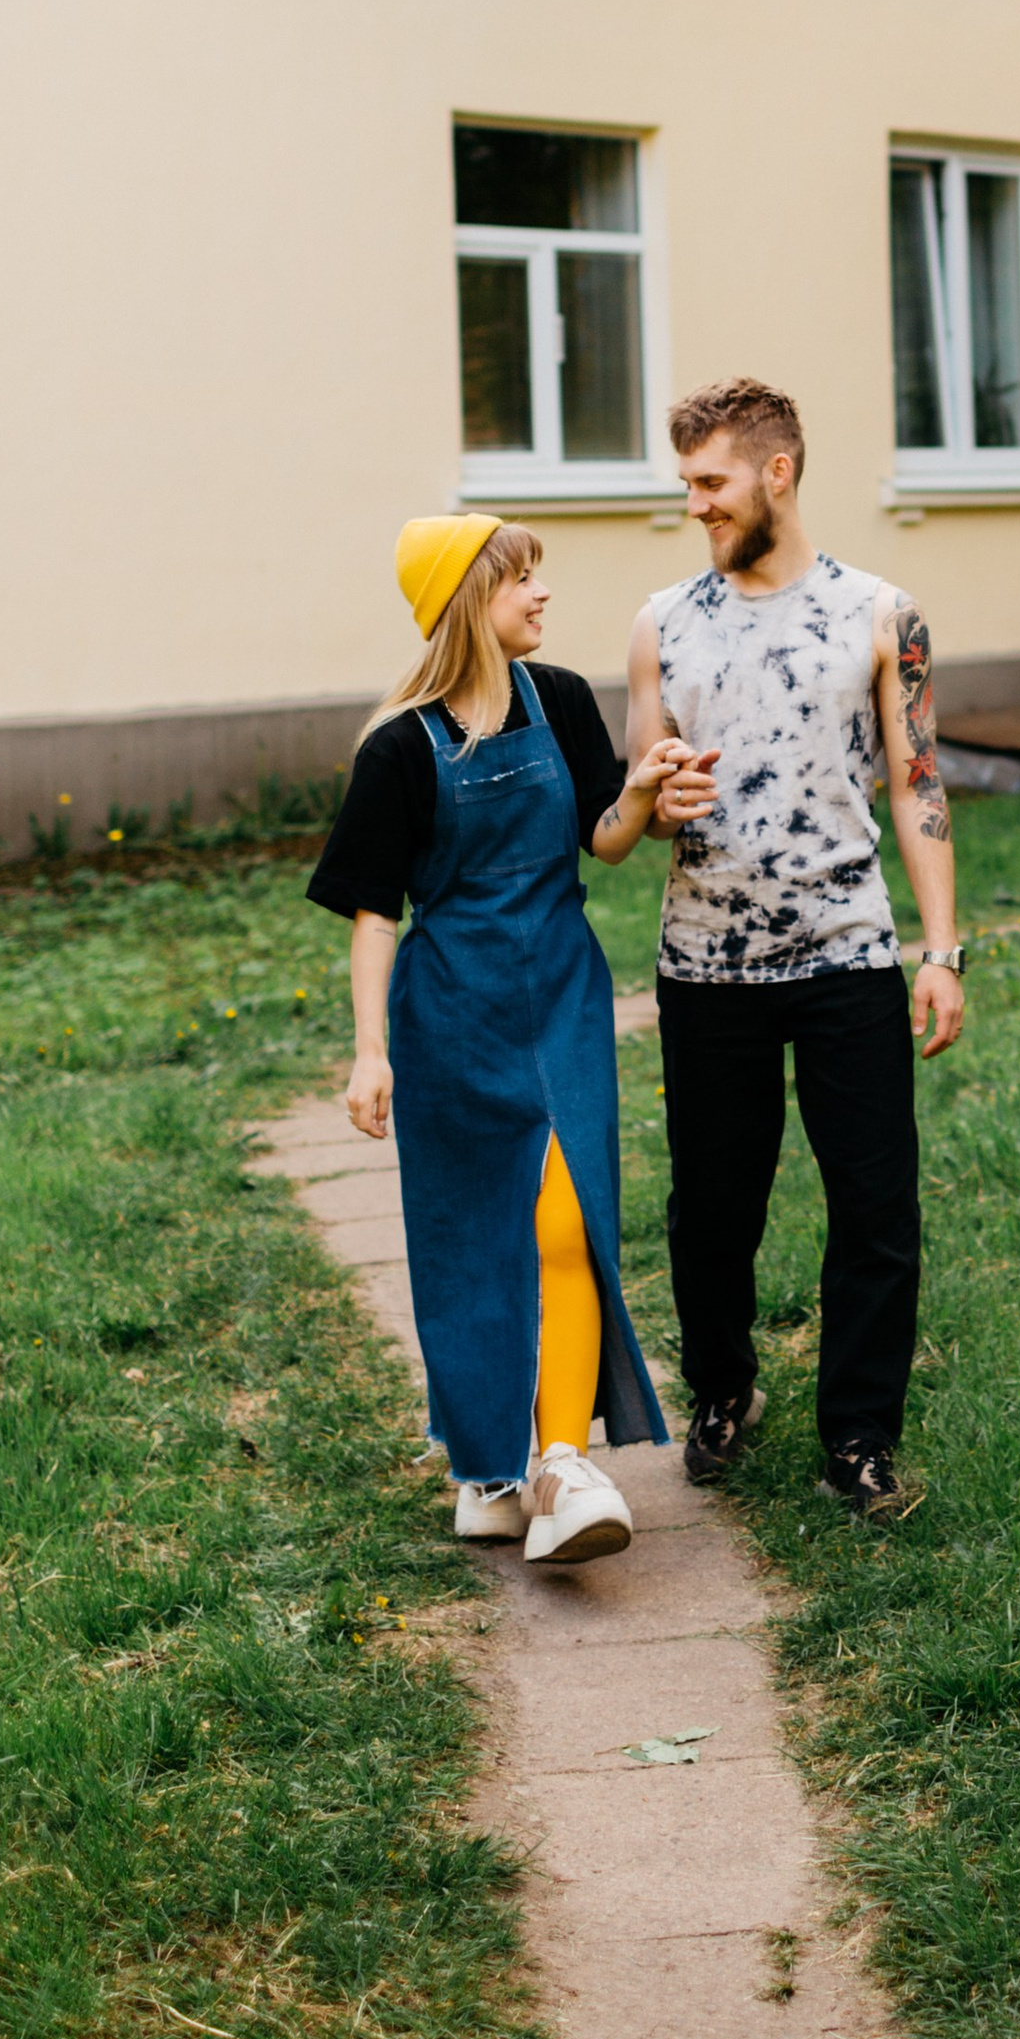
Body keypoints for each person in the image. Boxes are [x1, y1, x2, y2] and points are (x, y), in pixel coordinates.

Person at [310, 515, 709, 1566]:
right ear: (465, 604)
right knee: (468, 1238)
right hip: (450, 1012)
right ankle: (488, 1469)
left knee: (570, 1218)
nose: (541, 595)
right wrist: (369, 1050)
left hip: (562, 994)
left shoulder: (564, 700)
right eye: (521, 580)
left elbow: (606, 842)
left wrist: (632, 793)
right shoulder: (400, 747)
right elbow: (372, 911)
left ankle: (564, 1460)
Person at [625, 377, 964, 1515]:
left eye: (710, 482)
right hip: (705, 965)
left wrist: (941, 949)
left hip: (845, 956)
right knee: (713, 1206)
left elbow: (918, 782)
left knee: (875, 1205)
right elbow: (640, 781)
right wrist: (655, 797)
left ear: (776, 472)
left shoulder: (879, 613)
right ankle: (723, 1389)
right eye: (687, 485)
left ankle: (859, 1437)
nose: (696, 506)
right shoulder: (660, 623)